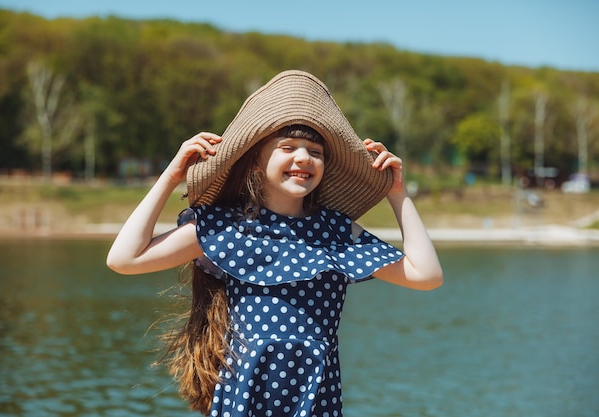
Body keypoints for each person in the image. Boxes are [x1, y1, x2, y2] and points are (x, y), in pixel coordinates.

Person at [107, 70, 443, 417]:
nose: (303, 158)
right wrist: (170, 176)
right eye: (287, 147)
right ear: (255, 161)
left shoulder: (336, 232)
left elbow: (426, 275)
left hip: (315, 397)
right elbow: (125, 258)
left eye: (315, 151)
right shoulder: (228, 229)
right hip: (246, 393)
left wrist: (397, 194)